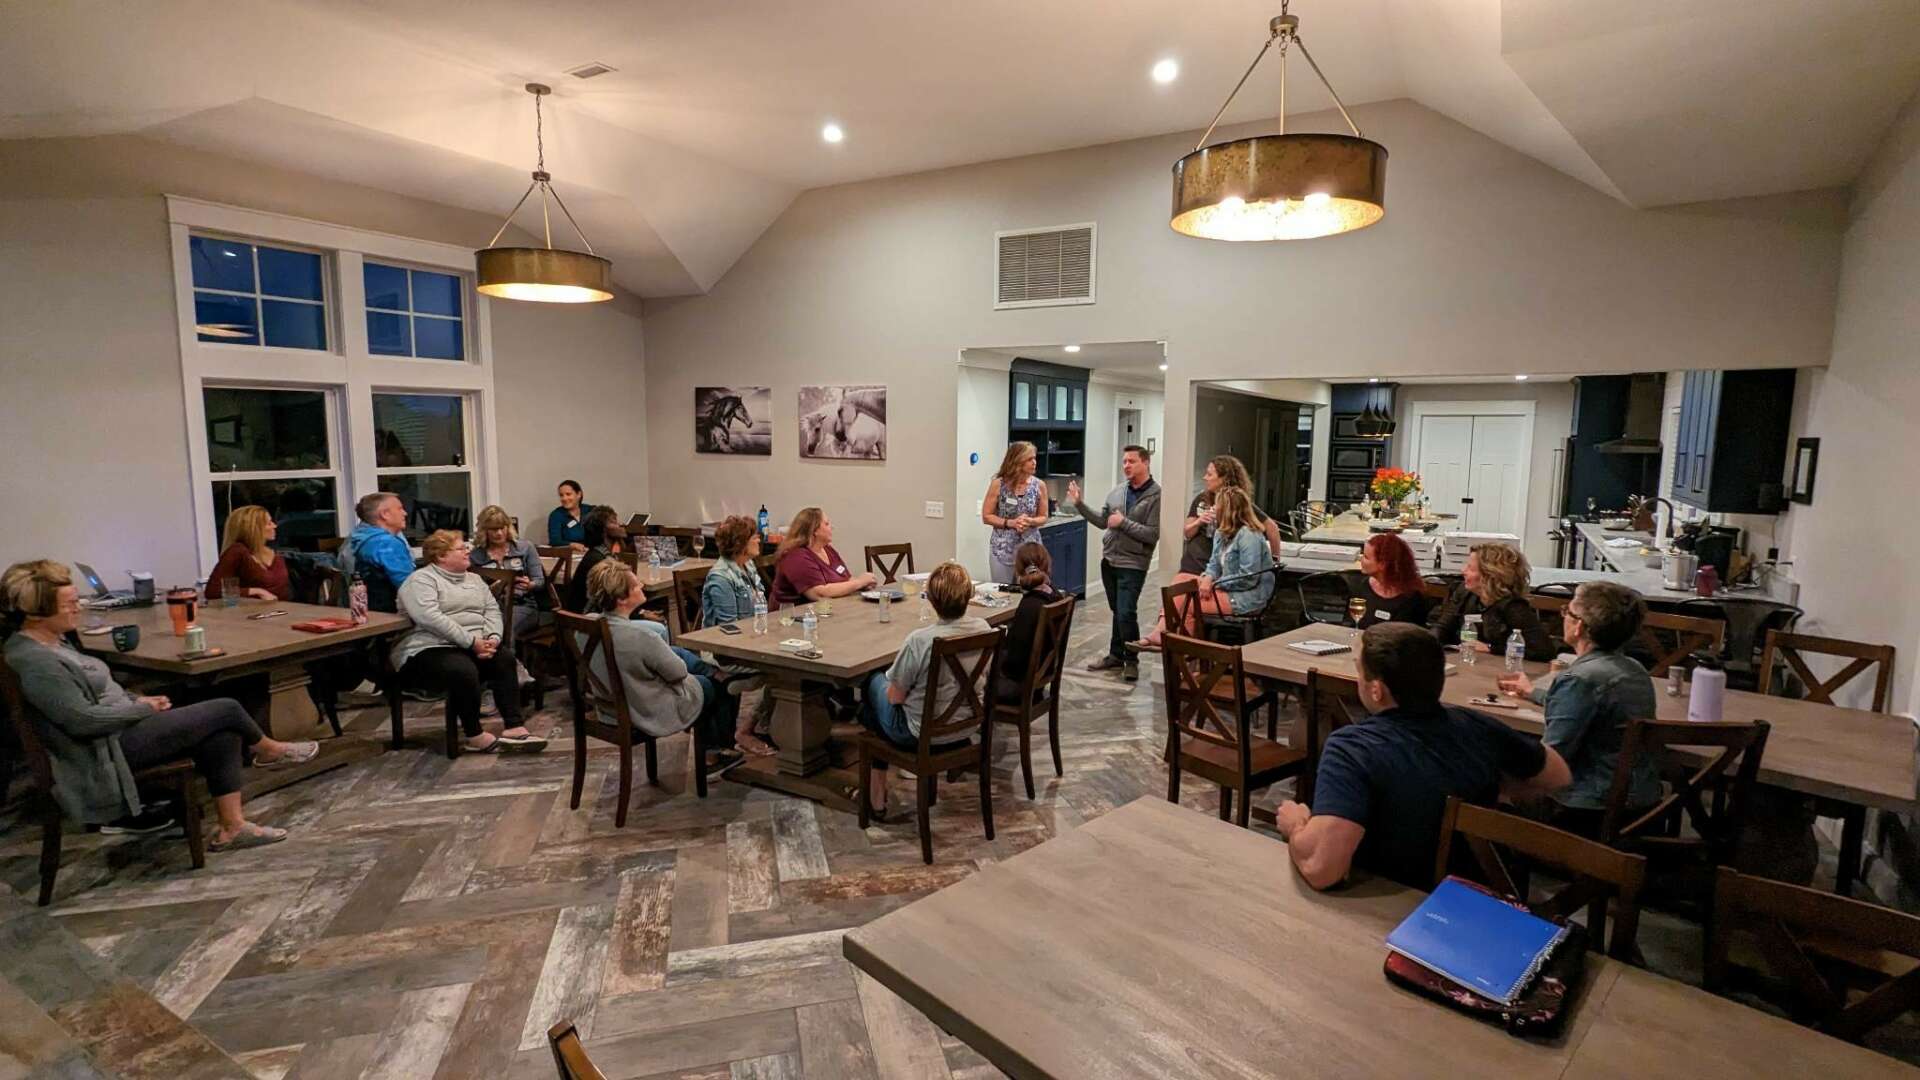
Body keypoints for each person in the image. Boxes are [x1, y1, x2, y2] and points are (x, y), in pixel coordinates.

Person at [2, 560, 315, 850]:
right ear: (36, 613)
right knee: (225, 709)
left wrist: (138, 700)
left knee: (222, 730)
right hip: (103, 750)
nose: (78, 609)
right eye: (69, 604)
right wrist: (143, 709)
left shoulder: (54, 641)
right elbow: (83, 721)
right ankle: (269, 750)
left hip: (119, 730)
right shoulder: (36, 662)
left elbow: (102, 694)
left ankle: (232, 827)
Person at [1274, 623, 1571, 889]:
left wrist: (1295, 825)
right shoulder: (1477, 725)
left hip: (1390, 901)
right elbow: (1559, 774)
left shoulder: (1352, 749)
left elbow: (1322, 870)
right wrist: (1498, 785)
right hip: (1478, 894)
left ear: (1376, 690)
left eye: (1359, 670)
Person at [1498, 581, 1662, 837]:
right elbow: (1588, 705)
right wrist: (1533, 692)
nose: (1564, 616)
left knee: (1481, 788)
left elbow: (1550, 758)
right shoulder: (1634, 669)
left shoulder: (1579, 679)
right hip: (1641, 804)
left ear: (1579, 626)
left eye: (1568, 611)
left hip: (1588, 809)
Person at [584, 559, 742, 778]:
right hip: (644, 708)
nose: (642, 584)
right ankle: (714, 753)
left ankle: (713, 672)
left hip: (609, 705)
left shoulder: (585, 625)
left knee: (677, 653)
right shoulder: (642, 636)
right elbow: (677, 673)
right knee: (714, 685)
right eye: (636, 585)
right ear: (621, 599)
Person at [858, 561, 993, 816]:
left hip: (919, 734)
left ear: (931, 599)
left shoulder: (920, 641)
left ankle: (876, 796)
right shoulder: (985, 630)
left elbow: (895, 698)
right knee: (873, 709)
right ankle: (877, 794)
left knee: (870, 687)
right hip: (967, 727)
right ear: (969, 595)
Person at [392, 531, 546, 753]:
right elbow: (430, 618)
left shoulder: (474, 579)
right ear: (441, 556)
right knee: (462, 669)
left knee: (504, 658)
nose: (468, 551)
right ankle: (474, 734)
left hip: (474, 644)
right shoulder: (420, 580)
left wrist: (492, 639)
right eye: (461, 548)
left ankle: (514, 727)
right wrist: (471, 642)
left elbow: (491, 610)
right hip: (428, 647)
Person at [1136, 487, 1274, 648]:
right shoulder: (1221, 533)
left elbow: (1248, 578)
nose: (1213, 509)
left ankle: (1184, 654)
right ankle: (1164, 633)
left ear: (1228, 510)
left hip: (1246, 596)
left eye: (1217, 506)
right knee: (1182, 578)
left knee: (1188, 603)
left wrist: (1215, 584)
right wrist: (1208, 577)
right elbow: (1214, 564)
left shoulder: (1249, 536)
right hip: (1227, 587)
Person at [1067, 444, 1160, 681]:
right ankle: (1116, 655)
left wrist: (1123, 523)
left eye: (1132, 461)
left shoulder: (1156, 496)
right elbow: (1102, 521)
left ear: (1145, 462)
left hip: (1134, 563)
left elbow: (1152, 534)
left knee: (1126, 612)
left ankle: (1131, 660)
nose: (1126, 465)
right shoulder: (1117, 492)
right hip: (1110, 560)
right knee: (1118, 611)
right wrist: (1079, 504)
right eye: (1124, 461)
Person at [700, 515, 777, 756]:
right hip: (724, 652)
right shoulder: (721, 577)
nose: (758, 539)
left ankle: (763, 727)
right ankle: (748, 731)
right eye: (754, 536)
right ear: (740, 543)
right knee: (785, 669)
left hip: (751, 642)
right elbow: (729, 630)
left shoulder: (748, 566)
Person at [1426, 543, 1554, 661]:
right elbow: (1442, 628)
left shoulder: (1513, 607)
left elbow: (1543, 651)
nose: (1463, 571)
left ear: (1490, 576)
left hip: (1497, 667)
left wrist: (1491, 648)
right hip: (1467, 660)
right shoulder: (1464, 593)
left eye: (1470, 568)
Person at [1178, 455, 1281, 579]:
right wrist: (1199, 522)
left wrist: (1274, 562)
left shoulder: (1239, 504)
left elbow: (1272, 528)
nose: (1205, 478)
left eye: (1209, 475)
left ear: (1224, 478)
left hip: (1220, 571)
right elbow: (1187, 533)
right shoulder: (1201, 499)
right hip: (1192, 565)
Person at [769, 508, 877, 610]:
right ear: (814, 530)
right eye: (827, 524)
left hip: (826, 610)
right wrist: (859, 582)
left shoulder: (827, 549)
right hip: (791, 616)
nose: (832, 527)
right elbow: (819, 593)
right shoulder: (796, 556)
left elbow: (845, 579)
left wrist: (864, 584)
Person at [469, 504, 546, 642]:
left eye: (502, 527)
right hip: (490, 606)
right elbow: (473, 592)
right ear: (484, 531)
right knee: (475, 628)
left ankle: (509, 656)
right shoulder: (475, 556)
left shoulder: (525, 547)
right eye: (494, 529)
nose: (499, 533)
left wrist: (530, 585)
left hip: (522, 605)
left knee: (503, 627)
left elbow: (540, 581)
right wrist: (496, 587)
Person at [996, 541, 1060, 703]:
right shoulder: (1055, 596)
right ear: (1047, 565)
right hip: (1040, 678)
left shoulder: (1030, 605)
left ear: (1018, 570)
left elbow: (1014, 661)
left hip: (1018, 687)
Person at [982, 442, 1050, 584]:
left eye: (1035, 458)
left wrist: (1030, 521)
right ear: (1017, 461)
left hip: (1030, 548)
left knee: (1030, 589)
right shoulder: (998, 484)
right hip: (1002, 548)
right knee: (1002, 589)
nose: (1034, 462)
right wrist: (1010, 523)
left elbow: (1044, 517)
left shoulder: (1039, 485)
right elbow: (987, 516)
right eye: (1029, 459)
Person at [342, 491, 415, 614]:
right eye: (400, 509)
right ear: (385, 514)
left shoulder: (361, 537)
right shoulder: (386, 544)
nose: (405, 513)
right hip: (389, 615)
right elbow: (409, 587)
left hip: (364, 611)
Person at [205, 505, 291, 601]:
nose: (274, 526)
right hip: (256, 609)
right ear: (253, 528)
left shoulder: (274, 552)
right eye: (269, 523)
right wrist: (256, 591)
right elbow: (213, 591)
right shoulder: (237, 551)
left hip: (287, 607)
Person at [1353, 533, 1428, 629]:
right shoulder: (1362, 586)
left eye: (1366, 557)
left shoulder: (1411, 599)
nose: (1360, 559)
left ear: (1383, 564)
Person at [548, 480, 593, 551]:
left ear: (579, 494)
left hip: (592, 552)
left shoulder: (590, 511)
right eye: (561, 495)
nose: (564, 498)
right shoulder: (556, 515)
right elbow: (554, 541)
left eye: (568, 494)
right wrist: (572, 545)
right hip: (570, 553)